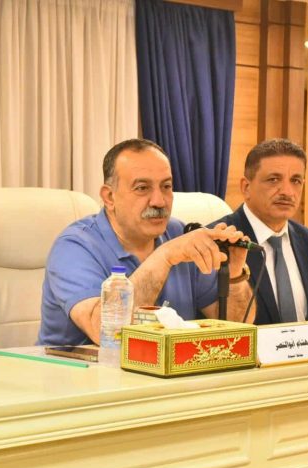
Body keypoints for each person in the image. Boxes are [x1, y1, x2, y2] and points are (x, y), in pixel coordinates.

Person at [38, 138, 255, 347]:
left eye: (166, 186)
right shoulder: (74, 247)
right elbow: (107, 332)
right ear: (109, 197)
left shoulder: (178, 233)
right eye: (142, 188)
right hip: (79, 370)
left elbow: (236, 326)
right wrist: (165, 256)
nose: (159, 201)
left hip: (166, 368)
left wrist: (234, 275)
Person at [214, 138, 308, 324]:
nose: (287, 191)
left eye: (296, 181)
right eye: (273, 179)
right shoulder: (219, 241)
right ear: (246, 187)